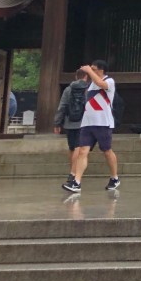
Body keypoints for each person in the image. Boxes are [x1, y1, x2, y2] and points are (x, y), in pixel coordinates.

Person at [63, 60, 119, 193]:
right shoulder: (90, 85)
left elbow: (101, 84)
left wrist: (88, 71)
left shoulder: (109, 81)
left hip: (103, 123)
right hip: (87, 123)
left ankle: (114, 177)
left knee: (106, 150)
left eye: (94, 69)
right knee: (82, 151)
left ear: (101, 70)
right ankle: (77, 182)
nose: (91, 71)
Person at [53, 69, 89, 183]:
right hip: (83, 122)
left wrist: (57, 123)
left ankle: (72, 171)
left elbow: (62, 106)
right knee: (79, 148)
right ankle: (73, 173)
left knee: (72, 148)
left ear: (76, 76)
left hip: (69, 122)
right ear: (86, 77)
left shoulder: (68, 89)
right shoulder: (87, 90)